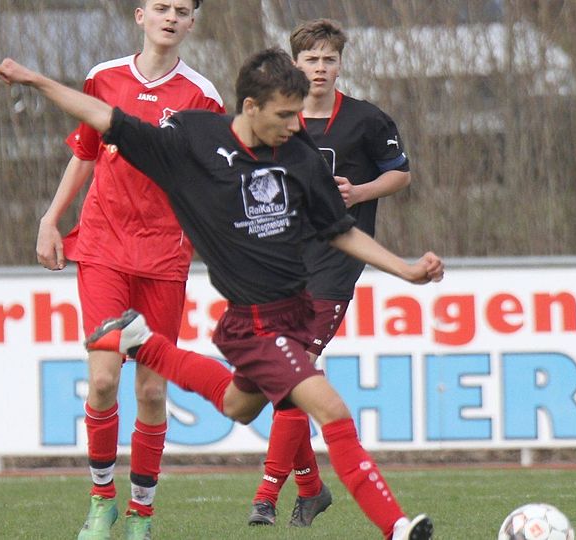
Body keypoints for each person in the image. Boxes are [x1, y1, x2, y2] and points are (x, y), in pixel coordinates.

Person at [0, 47, 440, 540]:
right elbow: (103, 117)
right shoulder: (193, 142)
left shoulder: (298, 154)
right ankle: (397, 527)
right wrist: (37, 81)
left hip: (293, 314)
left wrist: (404, 268)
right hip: (256, 325)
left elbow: (339, 229)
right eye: (284, 115)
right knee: (331, 409)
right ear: (250, 107)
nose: (296, 125)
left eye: (297, 114)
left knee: (236, 405)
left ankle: (145, 346)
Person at [33, 1, 224, 538]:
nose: (171, 16)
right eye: (161, 7)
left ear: (192, 23)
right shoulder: (104, 77)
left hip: (164, 255)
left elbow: (209, 178)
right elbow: (85, 153)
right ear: (140, 15)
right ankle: (101, 502)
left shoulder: (203, 96)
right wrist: (51, 219)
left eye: (181, 10)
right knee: (101, 379)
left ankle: (141, 511)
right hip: (103, 247)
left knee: (153, 393)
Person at [246, 18, 412, 528]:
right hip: (281, 262)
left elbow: (400, 173)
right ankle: (311, 488)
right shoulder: (276, 120)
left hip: (336, 262)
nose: (320, 67)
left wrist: (359, 192)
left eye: (328, 59)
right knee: (282, 375)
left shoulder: (366, 120)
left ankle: (266, 494)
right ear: (294, 65)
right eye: (311, 59)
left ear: (339, 65)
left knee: (295, 369)